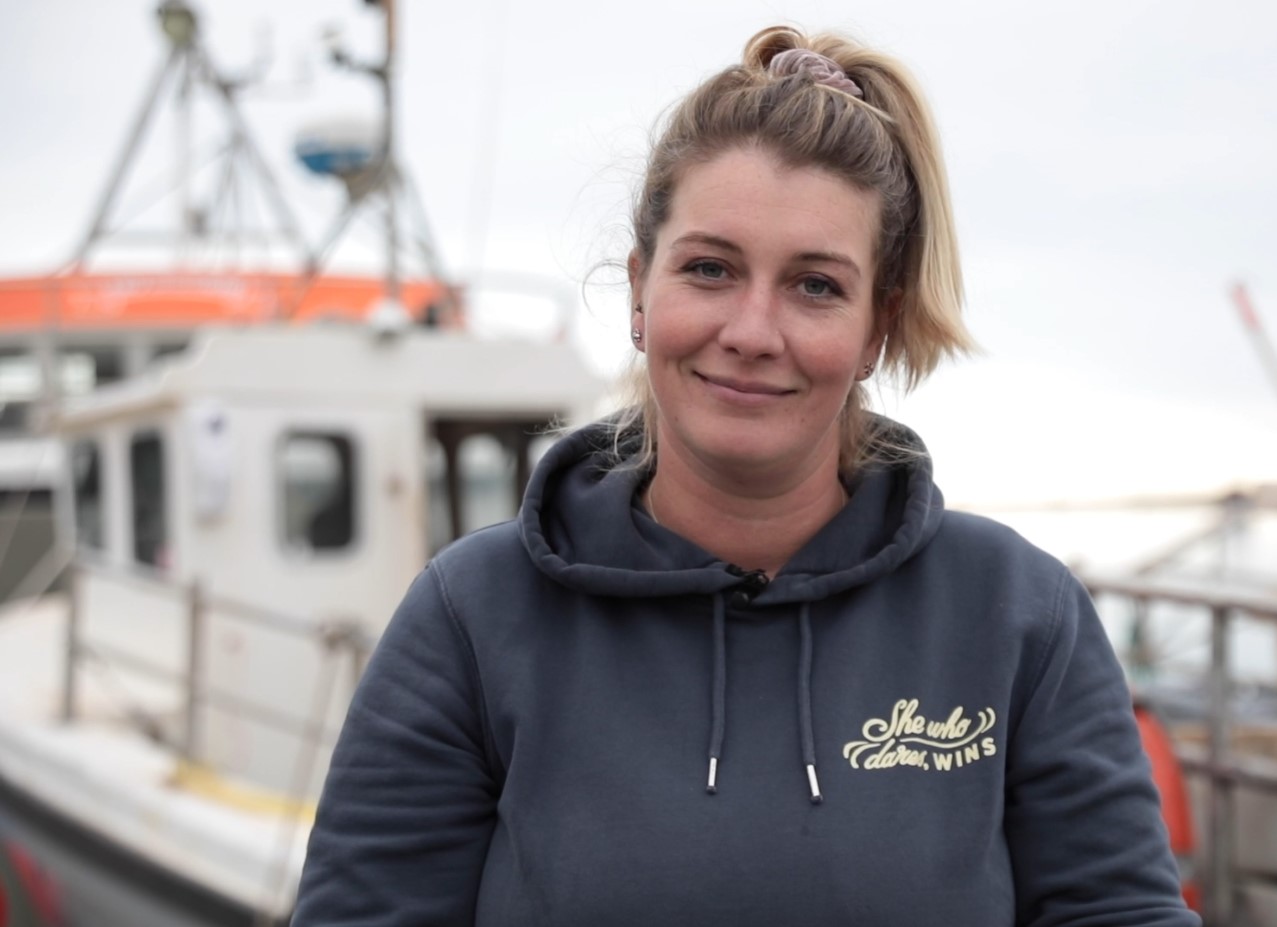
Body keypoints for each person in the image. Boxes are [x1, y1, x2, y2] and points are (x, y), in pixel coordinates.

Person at [292, 25, 1198, 927]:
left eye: (815, 286)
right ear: (641, 292)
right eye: (711, 269)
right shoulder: (471, 617)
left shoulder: (1017, 616)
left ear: (877, 327)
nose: (754, 331)